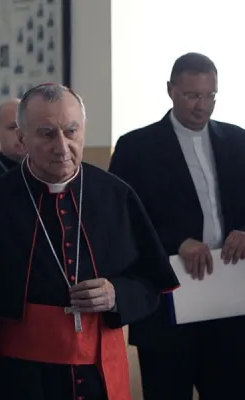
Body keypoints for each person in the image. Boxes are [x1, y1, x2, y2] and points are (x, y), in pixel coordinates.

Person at [0, 83, 180, 400]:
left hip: (99, 375)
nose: (62, 146)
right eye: (46, 134)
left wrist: (115, 294)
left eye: (71, 131)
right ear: (22, 139)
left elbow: (151, 281)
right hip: (20, 380)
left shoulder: (116, 196)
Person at [108, 52, 245, 400]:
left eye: (210, 95)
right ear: (171, 90)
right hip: (165, 303)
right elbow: (122, 222)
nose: (203, 106)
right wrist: (175, 242)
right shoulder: (135, 147)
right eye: (192, 95)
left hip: (228, 302)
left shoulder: (239, 141)